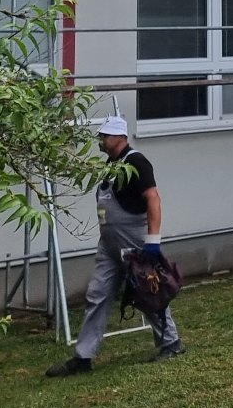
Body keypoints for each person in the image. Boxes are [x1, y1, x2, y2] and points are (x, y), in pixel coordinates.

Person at [45, 116, 184, 376]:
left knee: (148, 291)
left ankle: (171, 343)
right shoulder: (110, 166)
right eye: (101, 135)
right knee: (96, 295)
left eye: (106, 136)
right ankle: (83, 357)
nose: (101, 140)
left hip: (134, 242)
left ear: (121, 137)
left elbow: (153, 198)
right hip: (109, 246)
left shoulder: (137, 162)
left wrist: (152, 242)